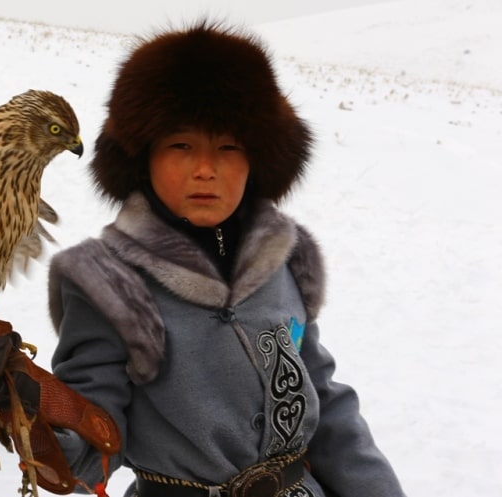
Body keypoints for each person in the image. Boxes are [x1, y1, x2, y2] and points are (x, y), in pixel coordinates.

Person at [39, 21, 408, 497]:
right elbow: (92, 442)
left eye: (228, 147)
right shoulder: (106, 282)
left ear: (257, 159)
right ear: (142, 158)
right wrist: (40, 419)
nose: (206, 169)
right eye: (181, 145)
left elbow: (325, 402)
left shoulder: (283, 260)